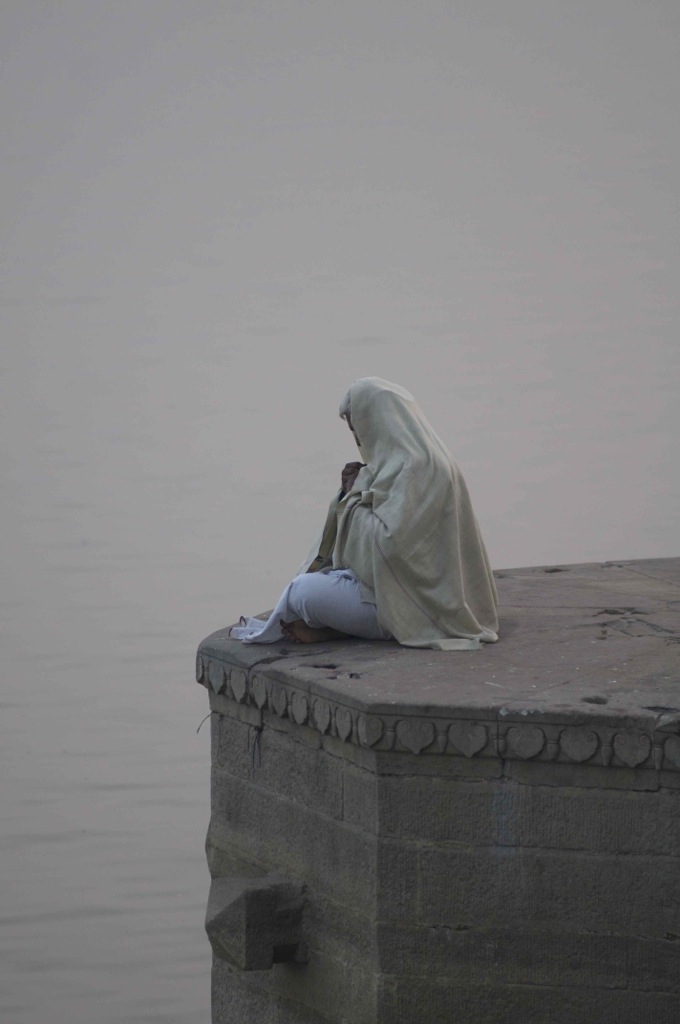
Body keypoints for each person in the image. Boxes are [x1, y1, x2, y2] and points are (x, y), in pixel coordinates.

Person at [230, 377, 499, 650]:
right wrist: (350, 493)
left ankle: (341, 629)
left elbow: (391, 549)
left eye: (357, 428)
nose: (357, 438)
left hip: (413, 606)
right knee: (313, 580)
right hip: (395, 589)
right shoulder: (404, 462)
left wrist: (353, 497)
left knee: (302, 593)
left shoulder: (420, 470)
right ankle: (336, 628)